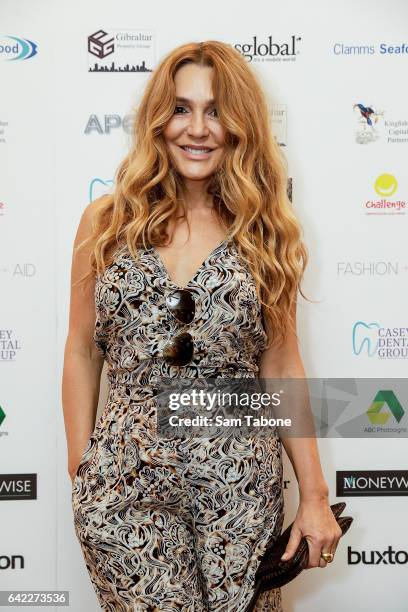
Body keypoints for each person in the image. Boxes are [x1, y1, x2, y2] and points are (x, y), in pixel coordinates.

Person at [62, 40, 342, 612]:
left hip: (240, 488)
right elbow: (82, 350)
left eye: (215, 110)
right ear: (157, 121)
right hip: (125, 491)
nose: (198, 128)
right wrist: (82, 467)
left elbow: (282, 366)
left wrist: (314, 496)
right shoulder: (108, 222)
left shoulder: (266, 232)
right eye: (182, 108)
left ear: (240, 125)